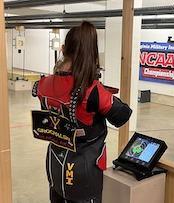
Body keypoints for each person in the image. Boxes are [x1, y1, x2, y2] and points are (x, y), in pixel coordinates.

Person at [32, 22, 132, 203]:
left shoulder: (42, 84)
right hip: (85, 170)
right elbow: (122, 116)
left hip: (55, 165)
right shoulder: (93, 91)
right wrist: (104, 92)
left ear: (63, 50)